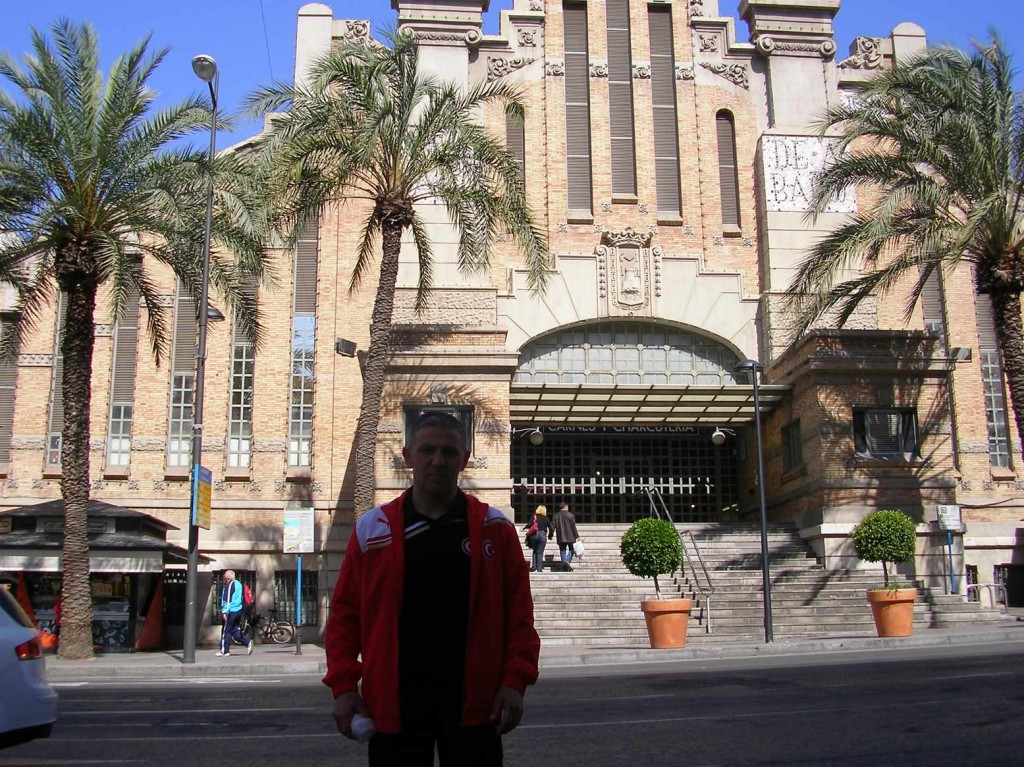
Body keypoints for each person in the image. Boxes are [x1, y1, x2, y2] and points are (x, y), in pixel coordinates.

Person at [324, 411, 540, 766]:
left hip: (476, 704)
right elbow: (345, 617)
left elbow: (519, 617)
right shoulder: (373, 529)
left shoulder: (495, 529)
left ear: (464, 459)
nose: (438, 461)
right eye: (427, 450)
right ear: (408, 456)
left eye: (449, 452)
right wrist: (344, 688)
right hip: (394, 704)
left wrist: (515, 682)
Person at [216, 570, 253, 657]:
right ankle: (247, 642)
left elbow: (228, 599)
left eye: (224, 576)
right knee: (234, 630)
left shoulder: (230, 585)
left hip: (231, 611)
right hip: (238, 610)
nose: (224, 577)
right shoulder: (238, 584)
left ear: (227, 577)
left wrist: (225, 612)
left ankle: (224, 651)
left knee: (226, 630)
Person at [552, 501, 580, 572]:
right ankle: (567, 561)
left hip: (560, 536)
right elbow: (573, 526)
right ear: (566, 507)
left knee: (562, 551)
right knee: (571, 550)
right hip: (570, 536)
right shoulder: (570, 515)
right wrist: (577, 536)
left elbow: (553, 527)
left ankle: (565, 565)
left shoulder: (555, 516)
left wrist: (550, 534)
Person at [523, 505, 551, 573]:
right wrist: (550, 535)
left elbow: (529, 524)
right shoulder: (546, 518)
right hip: (542, 535)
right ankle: (539, 569)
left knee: (535, 550)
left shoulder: (534, 517)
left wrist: (525, 528)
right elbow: (551, 528)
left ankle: (534, 567)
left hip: (534, 535)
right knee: (540, 552)